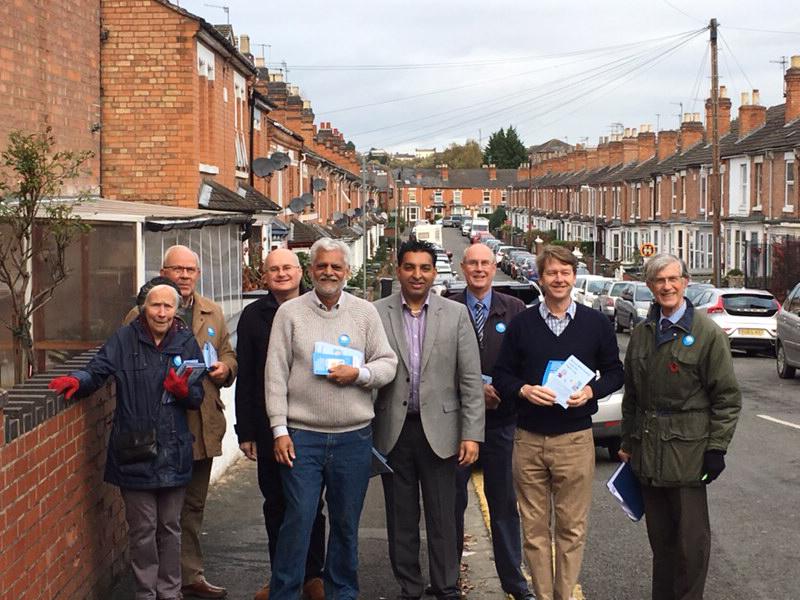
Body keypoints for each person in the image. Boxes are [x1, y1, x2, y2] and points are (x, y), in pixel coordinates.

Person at [49, 280, 205, 600]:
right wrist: (77, 381)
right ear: (143, 307)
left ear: (177, 310)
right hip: (134, 449)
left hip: (174, 449)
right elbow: (97, 370)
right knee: (143, 530)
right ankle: (146, 593)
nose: (161, 312)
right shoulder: (124, 339)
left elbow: (196, 397)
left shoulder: (187, 342)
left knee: (170, 529)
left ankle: (170, 593)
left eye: (168, 306)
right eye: (155, 305)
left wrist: (183, 390)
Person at [265, 238, 398, 600]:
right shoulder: (289, 314)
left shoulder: (364, 312)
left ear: (347, 272)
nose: (328, 272)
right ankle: (286, 593)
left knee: (345, 525)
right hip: (302, 436)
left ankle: (342, 593)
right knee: (298, 521)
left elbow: (388, 363)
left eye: (336, 267)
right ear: (311, 271)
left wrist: (359, 375)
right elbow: (275, 375)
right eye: (322, 266)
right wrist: (279, 430)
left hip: (353, 438)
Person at [494, 245, 624, 600]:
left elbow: (615, 372)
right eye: (551, 272)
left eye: (565, 272)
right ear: (540, 278)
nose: (559, 279)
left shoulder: (595, 324)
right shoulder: (522, 324)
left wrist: (591, 392)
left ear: (574, 276)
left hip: (575, 440)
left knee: (571, 529)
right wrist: (523, 390)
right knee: (534, 531)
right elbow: (502, 376)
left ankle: (564, 596)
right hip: (529, 440)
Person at [619, 253, 741, 600]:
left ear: (685, 282)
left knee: (691, 547)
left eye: (673, 279)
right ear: (650, 286)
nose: (667, 286)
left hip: (688, 456)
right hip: (647, 455)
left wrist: (716, 448)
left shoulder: (707, 334)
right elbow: (632, 395)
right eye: (660, 281)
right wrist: (627, 441)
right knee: (662, 545)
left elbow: (728, 397)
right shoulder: (643, 333)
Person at [373, 238, 485, 600]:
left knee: (443, 518)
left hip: (443, 432)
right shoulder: (375, 312)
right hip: (394, 431)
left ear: (434, 272)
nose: (417, 275)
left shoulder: (455, 315)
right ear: (398, 270)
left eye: (424, 268)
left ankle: (446, 586)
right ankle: (409, 587)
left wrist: (472, 434)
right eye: (409, 267)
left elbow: (470, 380)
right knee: (401, 519)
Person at [125, 245, 238, 599]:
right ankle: (153, 582)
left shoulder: (212, 312)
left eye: (191, 270)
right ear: (164, 271)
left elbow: (227, 353)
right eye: (178, 269)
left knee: (191, 506)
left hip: (200, 424)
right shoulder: (137, 314)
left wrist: (226, 369)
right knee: (154, 515)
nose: (185, 276)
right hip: (157, 427)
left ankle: (188, 575)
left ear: (198, 274)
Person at [234, 249, 325, 600]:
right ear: (264, 275)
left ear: (300, 271)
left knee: (312, 505)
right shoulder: (253, 316)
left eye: (288, 267)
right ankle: (281, 577)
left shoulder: (320, 308)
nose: (282, 274)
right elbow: (248, 378)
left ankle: (312, 576)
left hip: (312, 424)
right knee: (276, 505)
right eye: (274, 269)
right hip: (269, 428)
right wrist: (247, 432)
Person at [449, 243, 532, 600]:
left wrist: (496, 386)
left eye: (485, 263)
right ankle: (447, 579)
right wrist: (474, 387)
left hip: (502, 423)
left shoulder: (514, 309)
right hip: (455, 425)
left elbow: (525, 362)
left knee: (504, 507)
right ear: (462, 267)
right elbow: (433, 361)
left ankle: (514, 583)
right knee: (449, 506)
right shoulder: (447, 305)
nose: (479, 269)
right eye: (473, 263)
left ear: (494, 266)